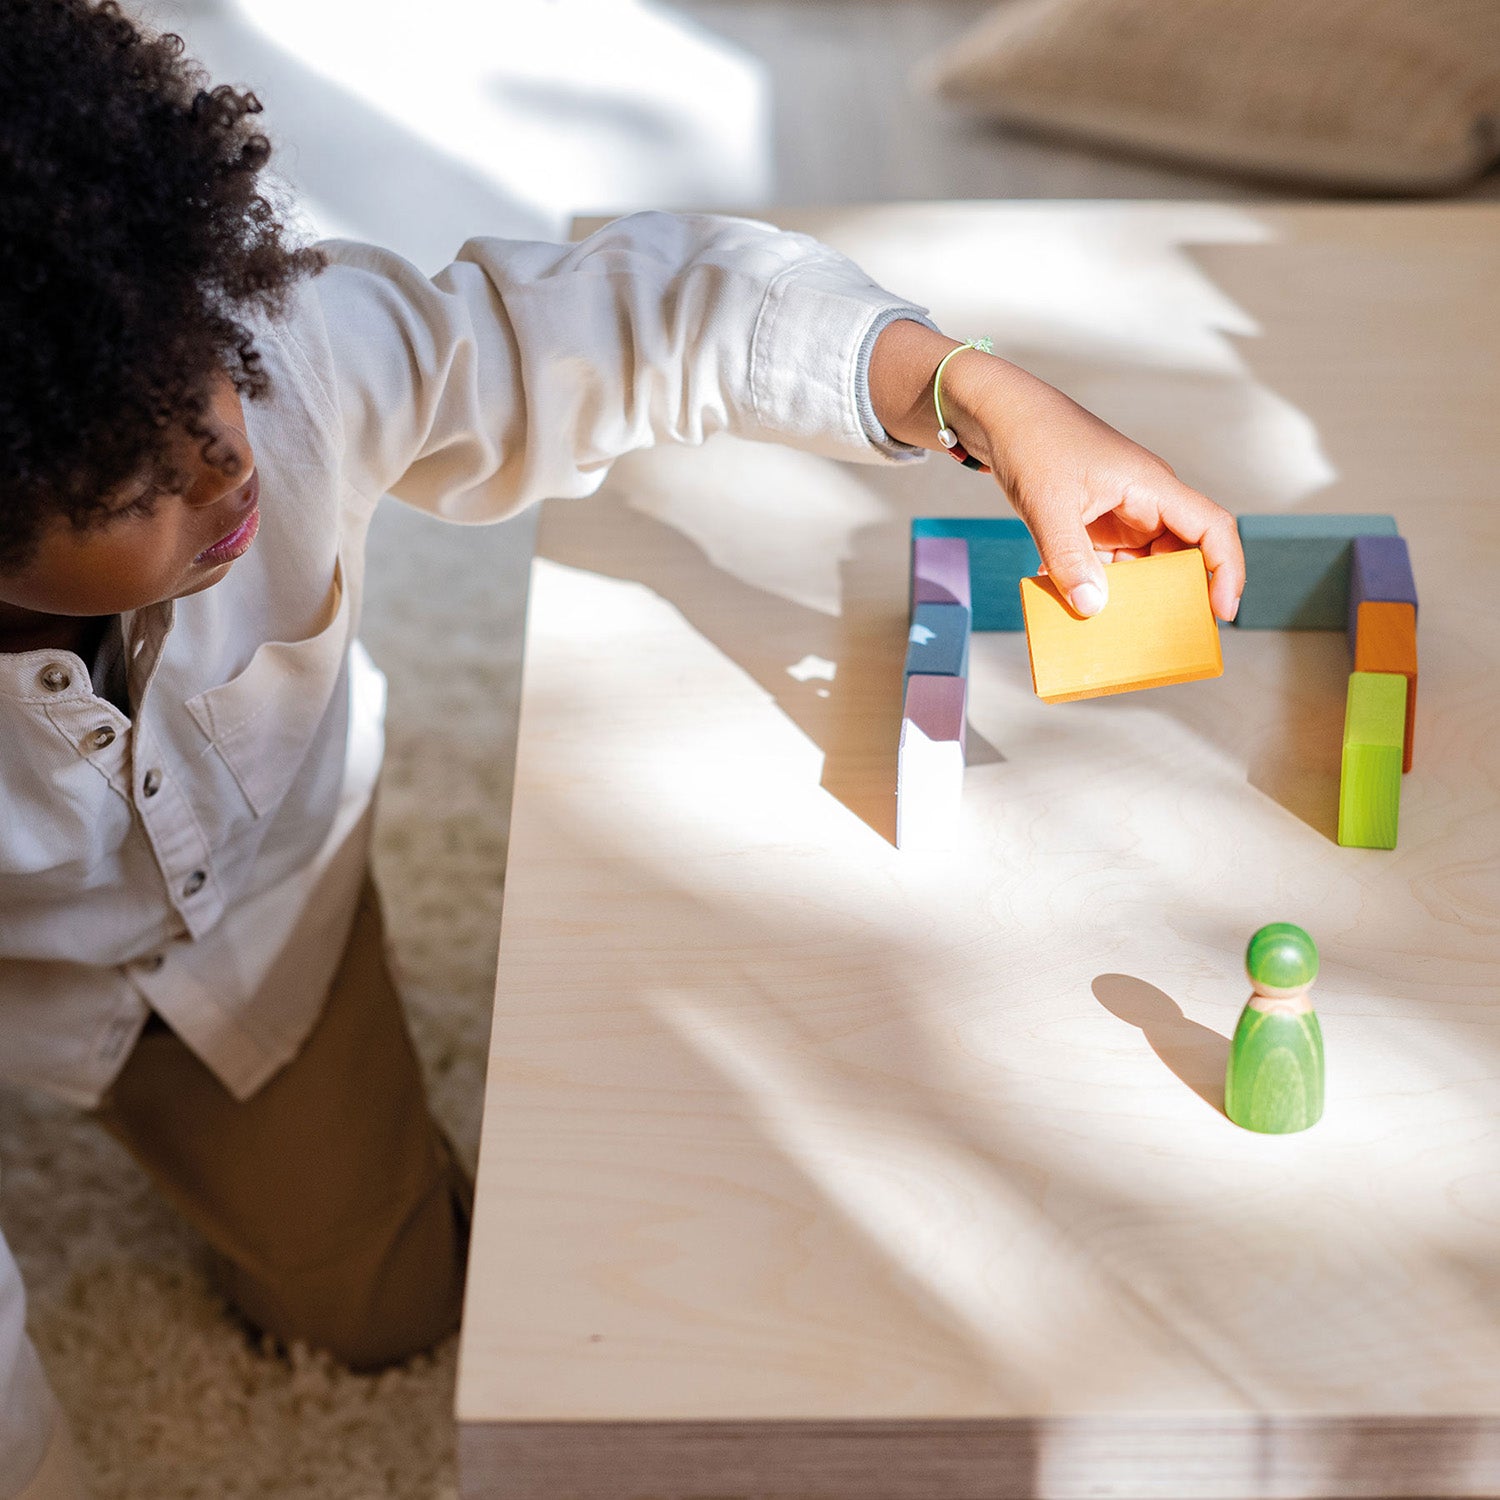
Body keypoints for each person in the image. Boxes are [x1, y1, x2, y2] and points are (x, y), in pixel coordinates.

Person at [0, 0, 1246, 1492]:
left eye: (202, 367)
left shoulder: (285, 361)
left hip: (254, 929)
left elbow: (655, 312)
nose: (227, 459)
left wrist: (976, 393)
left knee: (381, 1313)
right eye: (137, 478)